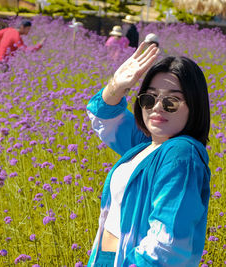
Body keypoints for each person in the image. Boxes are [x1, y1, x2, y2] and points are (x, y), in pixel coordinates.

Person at [86, 42, 211, 266]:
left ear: (194, 105)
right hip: (107, 257)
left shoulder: (180, 153)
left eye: (172, 101)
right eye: (149, 98)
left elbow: (168, 243)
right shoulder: (148, 145)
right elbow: (103, 117)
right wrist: (117, 84)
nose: (157, 107)